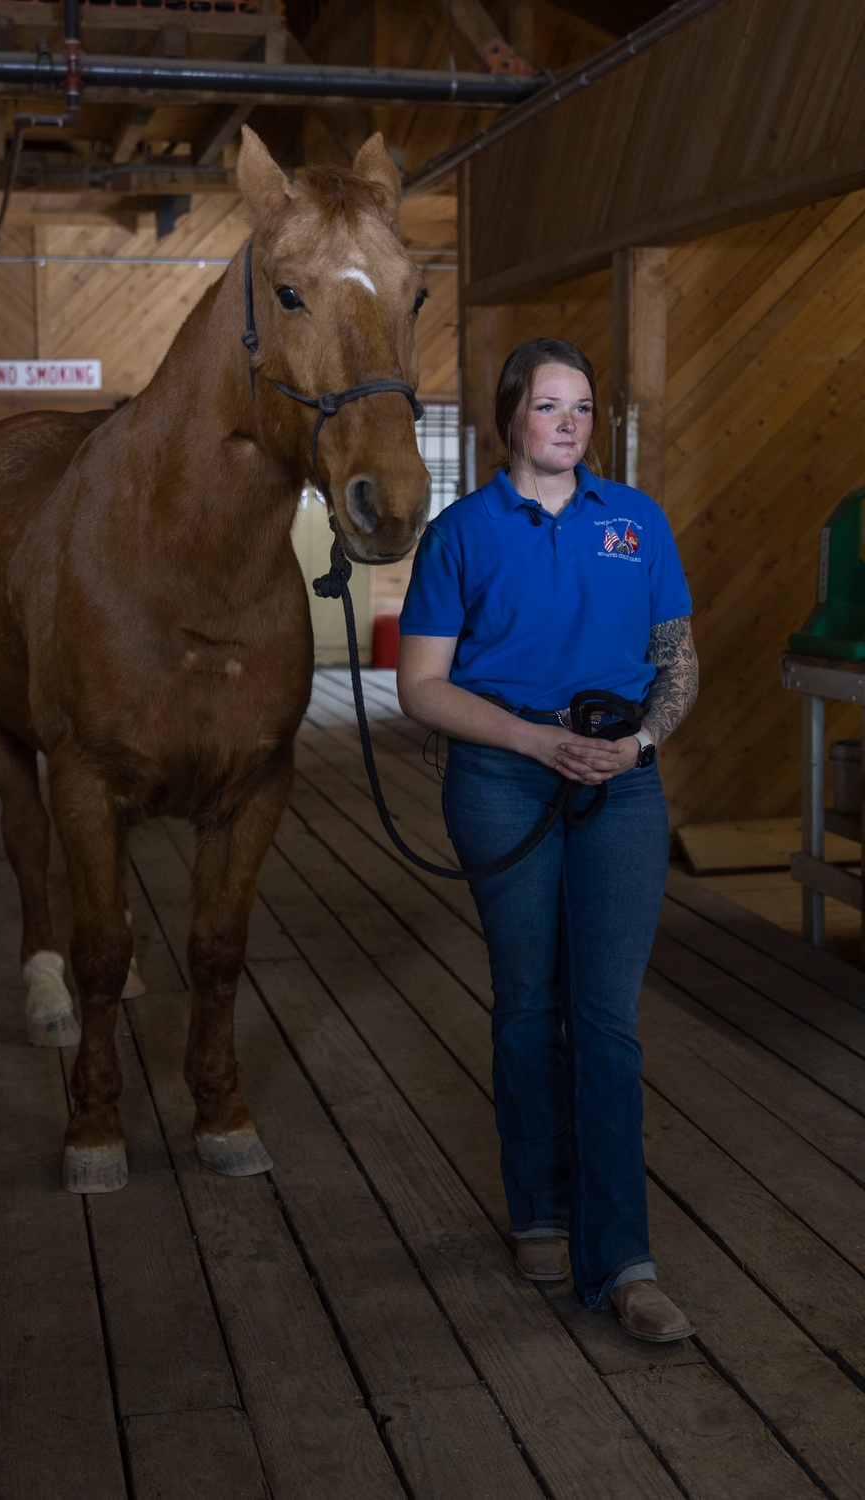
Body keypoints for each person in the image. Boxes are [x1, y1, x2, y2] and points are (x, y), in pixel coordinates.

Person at [396, 338, 699, 1343]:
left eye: (582, 407)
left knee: (605, 1016)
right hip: (502, 779)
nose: (567, 423)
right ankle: (538, 1205)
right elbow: (422, 685)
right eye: (547, 406)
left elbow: (677, 665)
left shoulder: (636, 522)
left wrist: (640, 743)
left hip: (620, 781)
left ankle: (623, 1259)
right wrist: (534, 739)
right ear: (509, 419)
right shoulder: (461, 535)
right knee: (528, 1000)